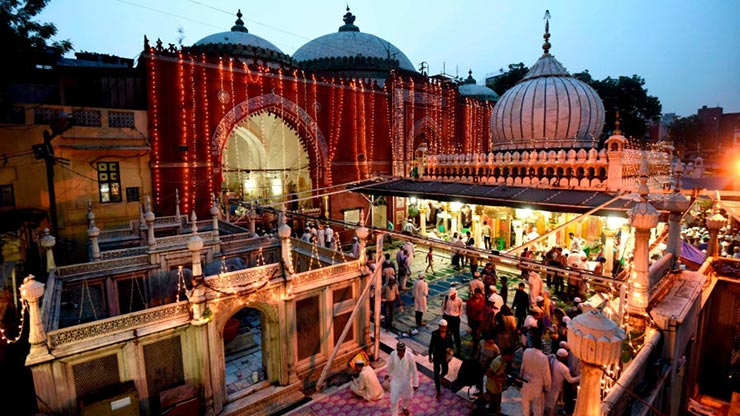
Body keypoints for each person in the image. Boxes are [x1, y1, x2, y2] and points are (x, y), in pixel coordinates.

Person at [545, 349, 581, 416]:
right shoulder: (563, 368)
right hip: (556, 387)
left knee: (549, 403)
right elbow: (571, 380)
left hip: (550, 384)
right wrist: (580, 377)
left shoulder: (553, 359)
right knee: (553, 404)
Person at [520, 340, 552, 416]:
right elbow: (546, 375)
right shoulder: (543, 358)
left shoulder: (526, 352)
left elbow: (522, 367)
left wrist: (521, 378)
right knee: (537, 408)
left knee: (525, 404)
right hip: (537, 386)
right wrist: (547, 387)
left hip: (526, 383)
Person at [387, 342, 419, 416]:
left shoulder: (410, 356)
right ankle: (394, 414)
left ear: (405, 349)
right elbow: (390, 365)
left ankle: (404, 407)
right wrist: (388, 374)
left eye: (403, 351)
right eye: (399, 351)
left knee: (407, 397)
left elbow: (414, 371)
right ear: (397, 350)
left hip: (406, 382)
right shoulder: (393, 354)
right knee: (394, 400)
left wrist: (415, 383)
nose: (401, 353)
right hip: (395, 381)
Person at [428, 319, 454, 399]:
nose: (443, 329)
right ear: (439, 327)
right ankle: (438, 391)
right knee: (436, 374)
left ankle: (441, 377)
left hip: (444, 356)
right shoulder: (435, 334)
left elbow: (451, 344)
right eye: (442, 327)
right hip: (437, 355)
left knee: (445, 370)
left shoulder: (449, 333)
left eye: (445, 327)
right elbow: (431, 345)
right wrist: (430, 355)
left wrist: (450, 350)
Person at [485, 347, 515, 415]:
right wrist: (499, 379)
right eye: (512, 355)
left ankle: (496, 409)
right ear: (507, 355)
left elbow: (499, 371)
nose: (513, 357)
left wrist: (504, 375)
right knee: (494, 402)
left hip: (497, 386)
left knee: (497, 401)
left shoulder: (504, 361)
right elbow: (487, 373)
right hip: (492, 387)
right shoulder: (497, 362)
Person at [441, 288, 463, 354]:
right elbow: (442, 307)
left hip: (455, 318)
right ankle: (450, 347)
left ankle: (459, 349)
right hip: (447, 317)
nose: (451, 296)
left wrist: (459, 317)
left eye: (452, 295)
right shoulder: (446, 298)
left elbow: (460, 309)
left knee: (456, 334)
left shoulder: (459, 300)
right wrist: (443, 316)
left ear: (455, 294)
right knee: (448, 334)